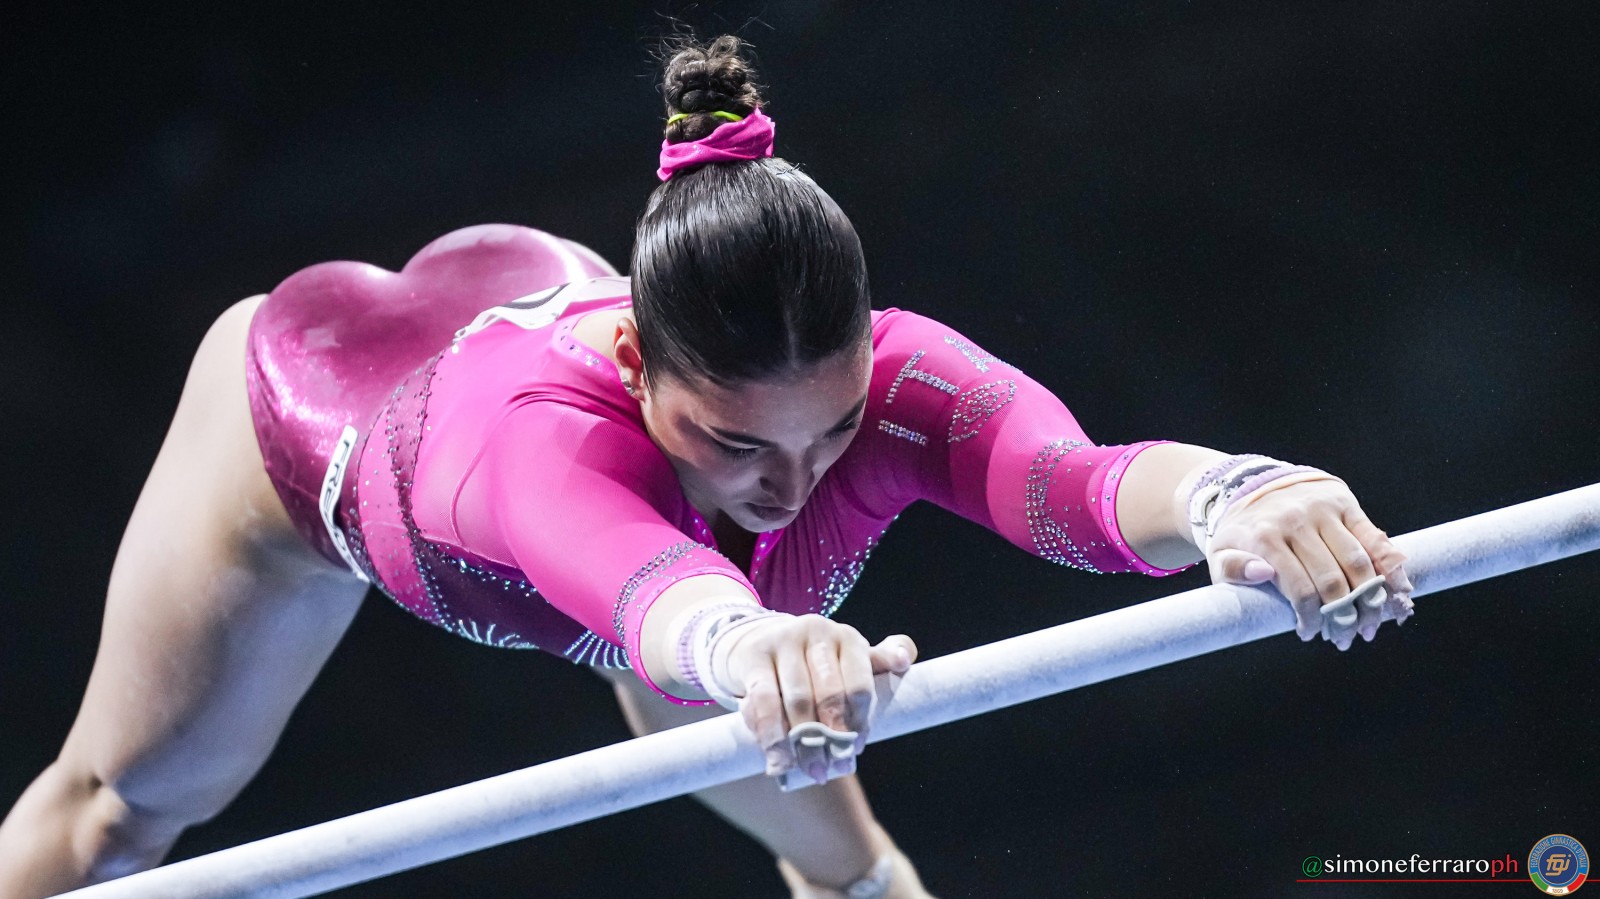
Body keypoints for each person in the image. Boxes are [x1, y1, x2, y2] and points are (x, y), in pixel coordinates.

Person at [0, 34, 1416, 899]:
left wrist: (1240, 494)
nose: (791, 486)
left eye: (831, 427)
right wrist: (752, 644)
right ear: (636, 362)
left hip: (559, 358)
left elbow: (1084, 489)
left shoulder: (899, 378)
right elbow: (655, 597)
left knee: (851, 858)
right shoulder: (543, 443)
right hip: (311, 414)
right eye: (737, 440)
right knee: (126, 815)